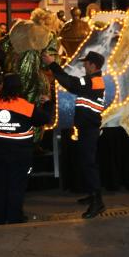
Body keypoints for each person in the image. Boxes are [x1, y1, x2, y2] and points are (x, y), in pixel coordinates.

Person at [42, 50, 106, 219]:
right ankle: (93, 195)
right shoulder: (93, 80)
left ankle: (97, 202)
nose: (84, 65)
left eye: (86, 63)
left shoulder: (94, 81)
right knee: (86, 163)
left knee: (89, 164)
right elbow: (73, 84)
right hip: (87, 129)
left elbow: (70, 83)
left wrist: (51, 64)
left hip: (89, 130)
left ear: (93, 65)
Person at [0, 73, 52, 225]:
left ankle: (0, 217)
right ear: (19, 88)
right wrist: (47, 104)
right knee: (17, 185)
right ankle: (15, 217)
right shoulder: (26, 106)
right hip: (20, 154)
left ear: (3, 86)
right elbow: (45, 119)